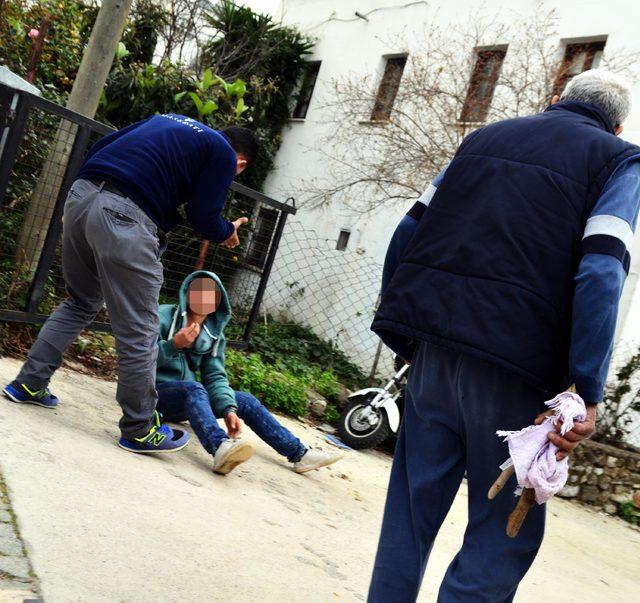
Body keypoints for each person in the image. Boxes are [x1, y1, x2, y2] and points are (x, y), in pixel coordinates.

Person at [368, 69, 640, 602]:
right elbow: (602, 272)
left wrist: (407, 337)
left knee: (408, 513)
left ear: (555, 99)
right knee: (501, 532)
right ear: (618, 125)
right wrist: (584, 389)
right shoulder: (618, 160)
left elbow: (407, 230)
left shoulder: (480, 141)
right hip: (520, 377)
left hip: (435, 356)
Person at [3, 115, 259, 455]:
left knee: (80, 301)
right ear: (241, 162)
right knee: (141, 327)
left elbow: (100, 146)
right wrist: (227, 231)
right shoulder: (224, 154)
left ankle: (28, 383)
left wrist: (85, 203)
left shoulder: (169, 121)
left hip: (81, 197)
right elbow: (203, 213)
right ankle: (139, 428)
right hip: (126, 217)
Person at [155, 270, 344, 474]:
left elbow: (215, 376)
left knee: (244, 400)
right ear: (187, 293)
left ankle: (300, 454)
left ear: (218, 302)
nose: (203, 298)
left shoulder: (214, 335)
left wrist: (228, 409)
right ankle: (219, 447)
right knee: (194, 388)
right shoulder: (162, 316)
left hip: (188, 402)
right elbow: (139, 358)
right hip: (154, 396)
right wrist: (173, 345)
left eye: (211, 294)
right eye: (198, 291)